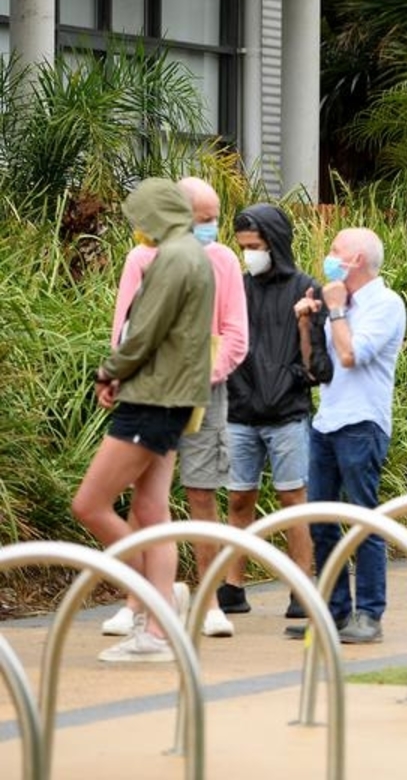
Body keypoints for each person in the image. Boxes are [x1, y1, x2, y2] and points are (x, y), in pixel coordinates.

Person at [72, 177, 215, 662]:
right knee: (153, 513)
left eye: (139, 218)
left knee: (90, 504)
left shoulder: (173, 257)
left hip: (153, 399)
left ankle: (158, 599)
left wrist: (109, 371)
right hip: (170, 397)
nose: (137, 228)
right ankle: (156, 629)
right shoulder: (190, 254)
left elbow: (143, 333)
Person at [101, 176, 248, 641]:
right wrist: (120, 375)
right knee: (146, 497)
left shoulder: (223, 259)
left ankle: (209, 602)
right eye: (203, 218)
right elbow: (126, 329)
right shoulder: (142, 258)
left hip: (205, 388)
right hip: (151, 391)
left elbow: (236, 333)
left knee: (202, 493)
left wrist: (200, 375)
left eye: (215, 218)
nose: (211, 227)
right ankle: (137, 600)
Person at [287, 228, 406, 644]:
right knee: (320, 521)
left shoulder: (386, 304)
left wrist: (336, 310)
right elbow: (316, 367)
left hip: (363, 423)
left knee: (363, 520)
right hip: (326, 422)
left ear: (356, 260)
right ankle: (335, 612)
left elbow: (352, 355)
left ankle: (369, 614)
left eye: (336, 250)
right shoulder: (340, 305)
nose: (329, 257)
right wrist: (306, 323)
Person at [218, 204, 333, 619]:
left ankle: (302, 586)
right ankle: (232, 585)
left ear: (276, 243)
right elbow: (225, 343)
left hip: (288, 413)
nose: (249, 254)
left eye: (255, 246)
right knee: (238, 498)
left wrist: (304, 325)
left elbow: (316, 366)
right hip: (240, 413)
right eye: (243, 246)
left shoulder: (307, 289)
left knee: (293, 500)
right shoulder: (237, 288)